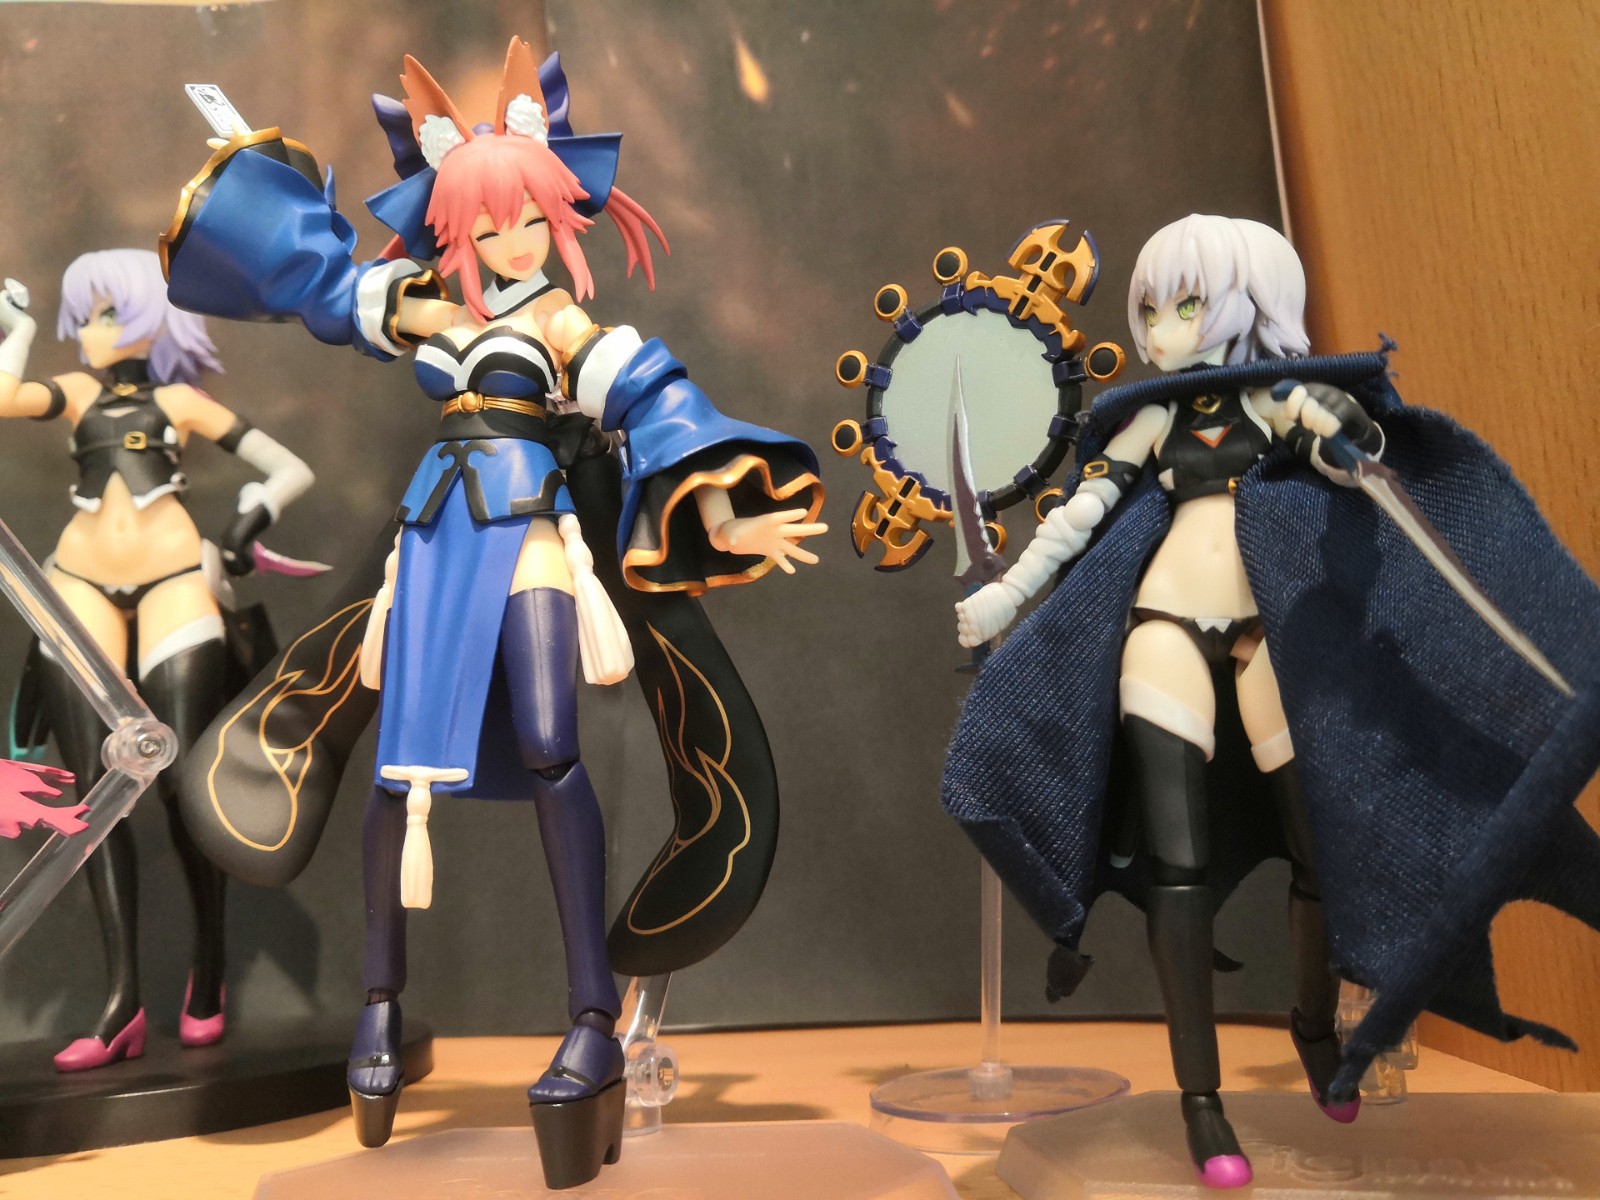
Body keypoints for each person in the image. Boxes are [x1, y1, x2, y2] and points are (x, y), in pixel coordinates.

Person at [160, 39, 825, 1189]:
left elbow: (651, 394)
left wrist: (724, 504)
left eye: (531, 219)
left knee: (553, 752)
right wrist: (248, 197)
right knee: (396, 770)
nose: (516, 241)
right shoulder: (427, 307)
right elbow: (322, 284)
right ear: (453, 226)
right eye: (492, 223)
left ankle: (588, 1021)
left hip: (529, 533)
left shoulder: (559, 326)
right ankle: (379, 1005)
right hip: (434, 534)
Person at [945, 214, 1600, 1187]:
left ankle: (1312, 1027)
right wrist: (1008, 595)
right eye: (1149, 309)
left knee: (1317, 841)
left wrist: (1347, 433)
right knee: (1176, 868)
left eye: (1185, 304)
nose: (1160, 329)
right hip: (1163, 627)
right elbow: (1081, 516)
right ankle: (1200, 1103)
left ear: (1248, 302)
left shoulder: (1278, 400)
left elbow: (1349, 457)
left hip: (1267, 636)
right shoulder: (1149, 422)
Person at [0, 248, 314, 1070]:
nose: (88, 331)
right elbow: (2, 395)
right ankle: (121, 1003)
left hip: (175, 579)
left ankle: (208, 968)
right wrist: (19, 328)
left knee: (182, 787)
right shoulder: (75, 394)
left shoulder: (181, 402)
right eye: (82, 315)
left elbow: (290, 467)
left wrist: (247, 522)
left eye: (105, 313)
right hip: (79, 583)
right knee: (97, 797)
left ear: (148, 316)